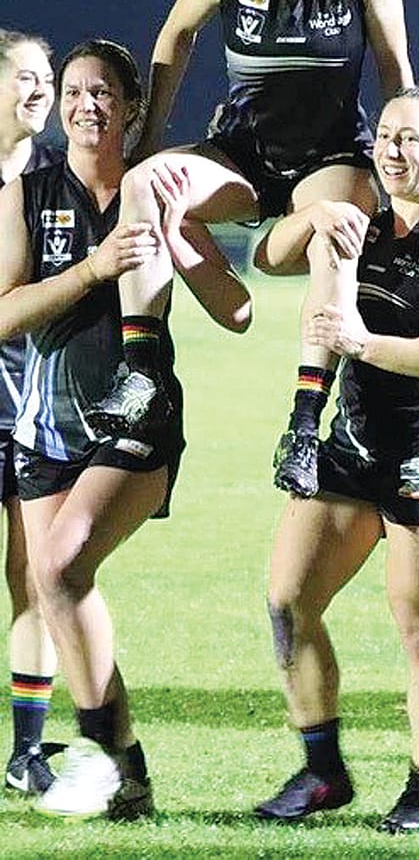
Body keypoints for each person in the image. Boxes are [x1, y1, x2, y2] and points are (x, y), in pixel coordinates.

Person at [88, 0, 414, 500]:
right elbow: (174, 38)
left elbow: (395, 70)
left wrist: (406, 173)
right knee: (146, 184)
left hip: (331, 157)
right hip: (242, 154)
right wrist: (147, 142)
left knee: (337, 224)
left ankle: (304, 424)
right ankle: (142, 370)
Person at [1, 40, 250, 819]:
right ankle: (124, 768)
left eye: (104, 92)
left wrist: (181, 237)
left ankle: (98, 754)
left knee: (60, 565)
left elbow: (237, 309)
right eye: (75, 91)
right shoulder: (28, 193)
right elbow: (3, 312)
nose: (86, 105)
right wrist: (92, 268)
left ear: (133, 107)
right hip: (47, 426)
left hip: (139, 419)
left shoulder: (158, 186)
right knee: (58, 588)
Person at [255, 85, 419, 833]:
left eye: (409, 138)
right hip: (354, 441)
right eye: (385, 135)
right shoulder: (360, 224)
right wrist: (312, 216)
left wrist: (366, 344)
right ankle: (323, 770)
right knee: (289, 602)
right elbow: (267, 257)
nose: (390, 150)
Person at [0, 29, 60, 795]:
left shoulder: (56, 180)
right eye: (24, 76)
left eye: (47, 75)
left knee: (35, 577)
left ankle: (27, 750)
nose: (41, 88)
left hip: (34, 411)